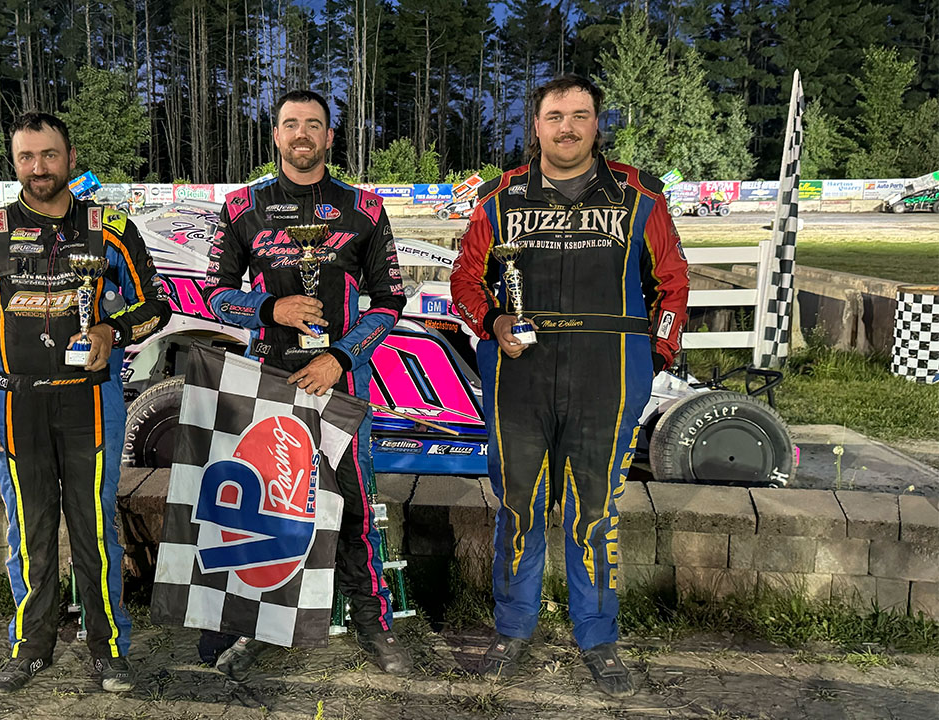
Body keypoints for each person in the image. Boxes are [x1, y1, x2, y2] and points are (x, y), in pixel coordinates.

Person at [449, 74, 689, 697]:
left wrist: (653, 357)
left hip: (607, 373)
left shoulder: (638, 195)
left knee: (595, 512)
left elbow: (672, 282)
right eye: (555, 115)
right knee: (517, 508)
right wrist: (492, 320)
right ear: (536, 125)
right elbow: (467, 279)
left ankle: (598, 637)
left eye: (580, 115)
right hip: (518, 372)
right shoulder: (501, 197)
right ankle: (513, 630)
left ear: (597, 124)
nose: (568, 127)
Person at [0, 112, 171, 694]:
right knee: (29, 530)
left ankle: (109, 648)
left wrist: (109, 332)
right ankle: (31, 647)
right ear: (13, 162)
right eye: (26, 157)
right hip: (11, 408)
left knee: (95, 529)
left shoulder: (109, 226)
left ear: (71, 158)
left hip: (90, 403)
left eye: (48, 155)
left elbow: (155, 304)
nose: (38, 168)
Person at [203, 89, 412, 680]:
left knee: (352, 504)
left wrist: (342, 357)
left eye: (313, 125)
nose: (301, 134)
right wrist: (270, 309)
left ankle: (373, 622)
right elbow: (216, 295)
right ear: (275, 135)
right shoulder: (243, 206)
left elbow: (390, 300)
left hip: (339, 383)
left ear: (328, 136)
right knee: (260, 503)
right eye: (290, 124)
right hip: (267, 377)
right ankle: (251, 623)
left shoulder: (364, 208)